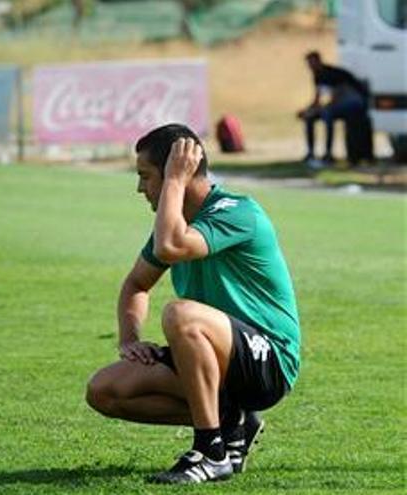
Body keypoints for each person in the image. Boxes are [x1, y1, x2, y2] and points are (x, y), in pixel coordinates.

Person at [85, 124, 301, 484]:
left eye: (145, 176)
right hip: (214, 356)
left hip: (268, 362)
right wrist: (130, 339)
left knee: (180, 314)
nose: (140, 188)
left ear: (177, 171)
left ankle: (211, 451)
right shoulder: (174, 225)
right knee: (104, 391)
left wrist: (173, 180)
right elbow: (136, 285)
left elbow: (172, 247)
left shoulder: (237, 211)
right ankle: (232, 422)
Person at [298, 51, 369, 168]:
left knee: (327, 115)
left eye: (311, 63)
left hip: (353, 102)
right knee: (309, 118)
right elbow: (317, 98)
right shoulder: (317, 76)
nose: (309, 66)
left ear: (318, 61)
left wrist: (319, 109)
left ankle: (328, 153)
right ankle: (311, 153)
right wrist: (308, 110)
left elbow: (335, 98)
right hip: (337, 103)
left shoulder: (332, 74)